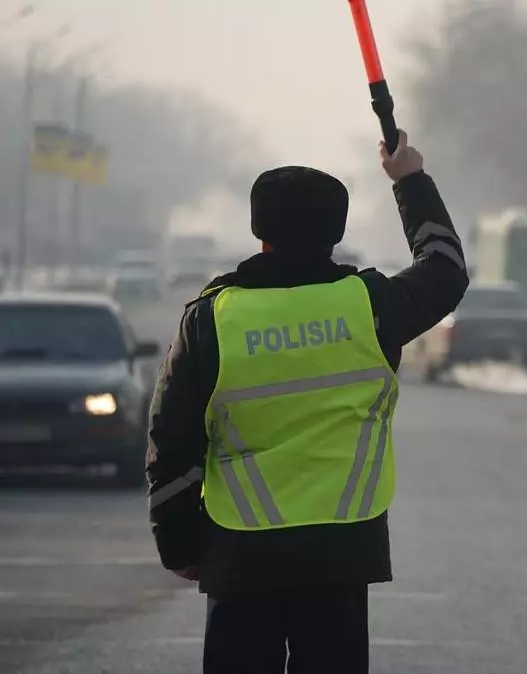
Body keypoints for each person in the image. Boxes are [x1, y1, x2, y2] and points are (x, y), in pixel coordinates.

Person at [145, 130, 469, 674]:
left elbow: (172, 441)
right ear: (336, 233)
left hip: (241, 550)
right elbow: (444, 267)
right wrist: (409, 178)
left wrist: (179, 547)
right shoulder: (370, 306)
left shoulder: (213, 320)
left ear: (258, 229)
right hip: (341, 549)